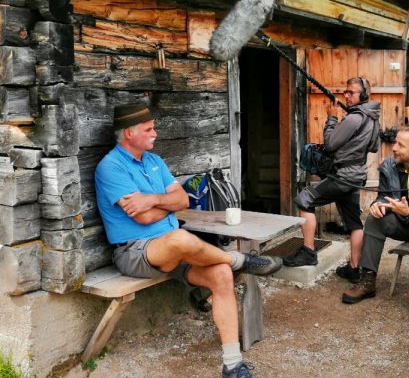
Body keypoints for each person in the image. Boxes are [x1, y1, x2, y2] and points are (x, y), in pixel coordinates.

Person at [94, 103, 283, 378]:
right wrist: (164, 205)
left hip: (175, 252)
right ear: (128, 134)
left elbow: (183, 200)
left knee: (221, 275)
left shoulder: (155, 162)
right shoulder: (110, 167)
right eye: (149, 129)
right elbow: (142, 220)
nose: (155, 134)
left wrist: (152, 199)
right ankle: (240, 260)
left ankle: (232, 364)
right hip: (136, 252)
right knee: (181, 238)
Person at [340, 124, 409, 305]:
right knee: (375, 218)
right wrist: (377, 205)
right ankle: (367, 280)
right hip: (402, 220)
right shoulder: (389, 165)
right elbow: (383, 196)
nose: (394, 148)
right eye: (395, 143)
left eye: (400, 145)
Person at [284, 77, 381, 267]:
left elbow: (330, 145)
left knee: (304, 199)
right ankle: (355, 269)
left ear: (362, 95)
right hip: (356, 176)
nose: (346, 95)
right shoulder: (372, 118)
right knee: (354, 223)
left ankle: (309, 253)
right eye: (346, 91)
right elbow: (375, 146)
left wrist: (332, 118)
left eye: (351, 92)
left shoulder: (354, 118)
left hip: (343, 177)